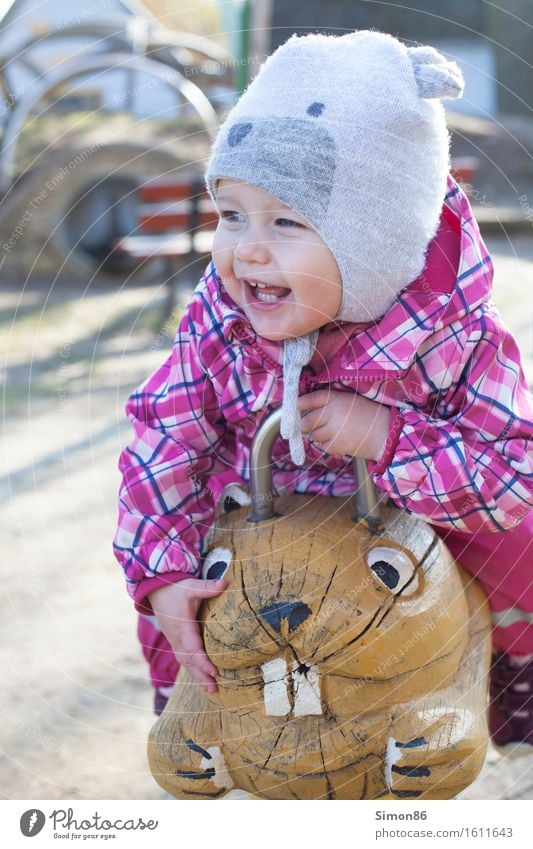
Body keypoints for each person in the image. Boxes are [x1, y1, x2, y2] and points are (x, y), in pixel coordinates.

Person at [114, 30, 533, 751]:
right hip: (263, 526)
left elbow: (512, 470)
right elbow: (165, 435)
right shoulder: (220, 320)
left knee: (521, 548)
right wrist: (159, 569)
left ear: (374, 244)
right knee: (179, 583)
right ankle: (200, 709)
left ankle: (506, 668)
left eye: (286, 222)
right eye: (231, 214)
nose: (246, 249)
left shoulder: (453, 337)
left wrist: (387, 437)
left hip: (409, 524)